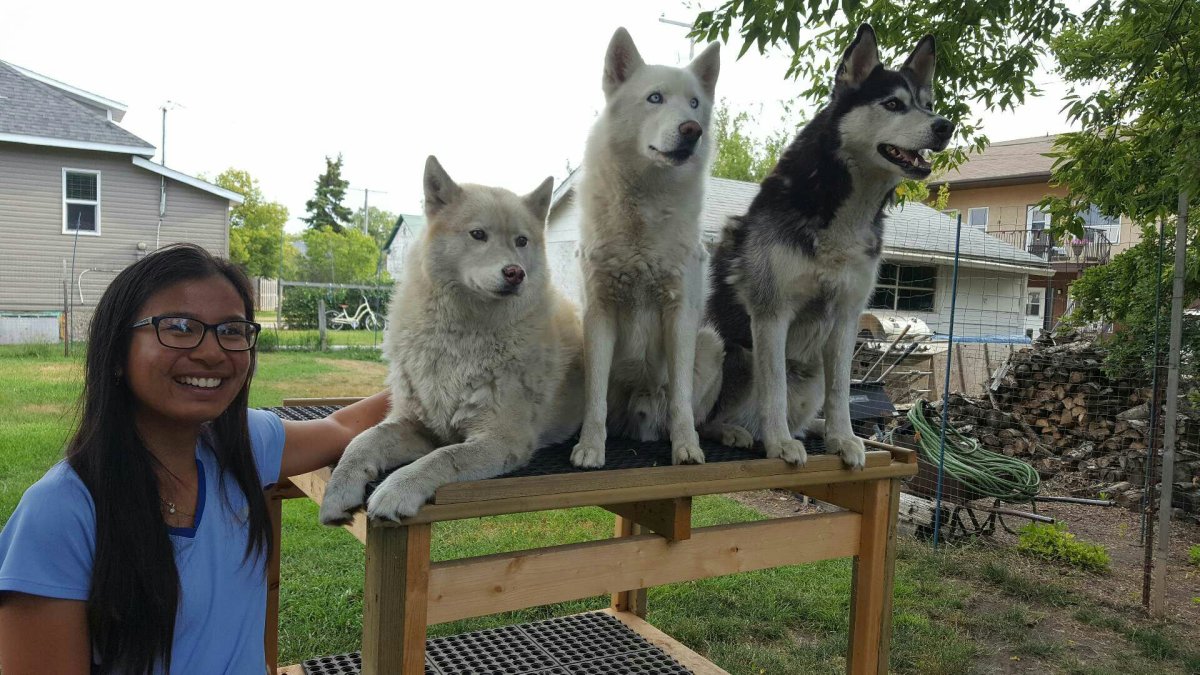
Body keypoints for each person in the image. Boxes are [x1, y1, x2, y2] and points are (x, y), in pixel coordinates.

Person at [0, 244, 390, 674]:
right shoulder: (61, 514)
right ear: (116, 352)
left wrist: (439, 375)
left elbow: (342, 428)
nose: (212, 352)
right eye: (180, 327)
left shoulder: (242, 446)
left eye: (232, 330)